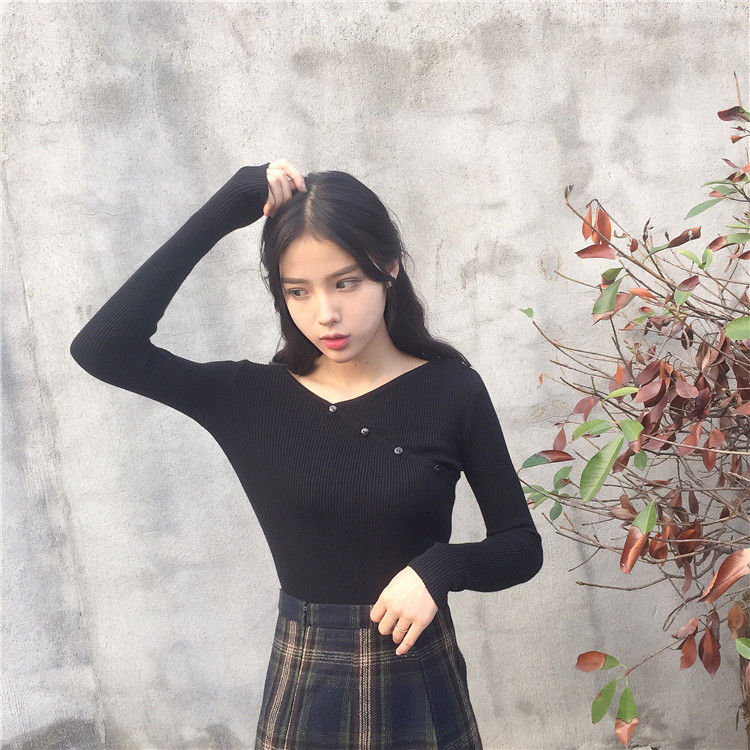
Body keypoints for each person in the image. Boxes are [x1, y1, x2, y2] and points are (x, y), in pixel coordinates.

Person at [70, 158, 543, 750]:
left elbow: (521, 546)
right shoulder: (247, 397)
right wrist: (226, 208)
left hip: (421, 675)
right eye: (297, 290)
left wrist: (441, 568)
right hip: (307, 685)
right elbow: (102, 348)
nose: (325, 314)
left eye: (346, 282)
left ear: (389, 267)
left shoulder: (451, 389)